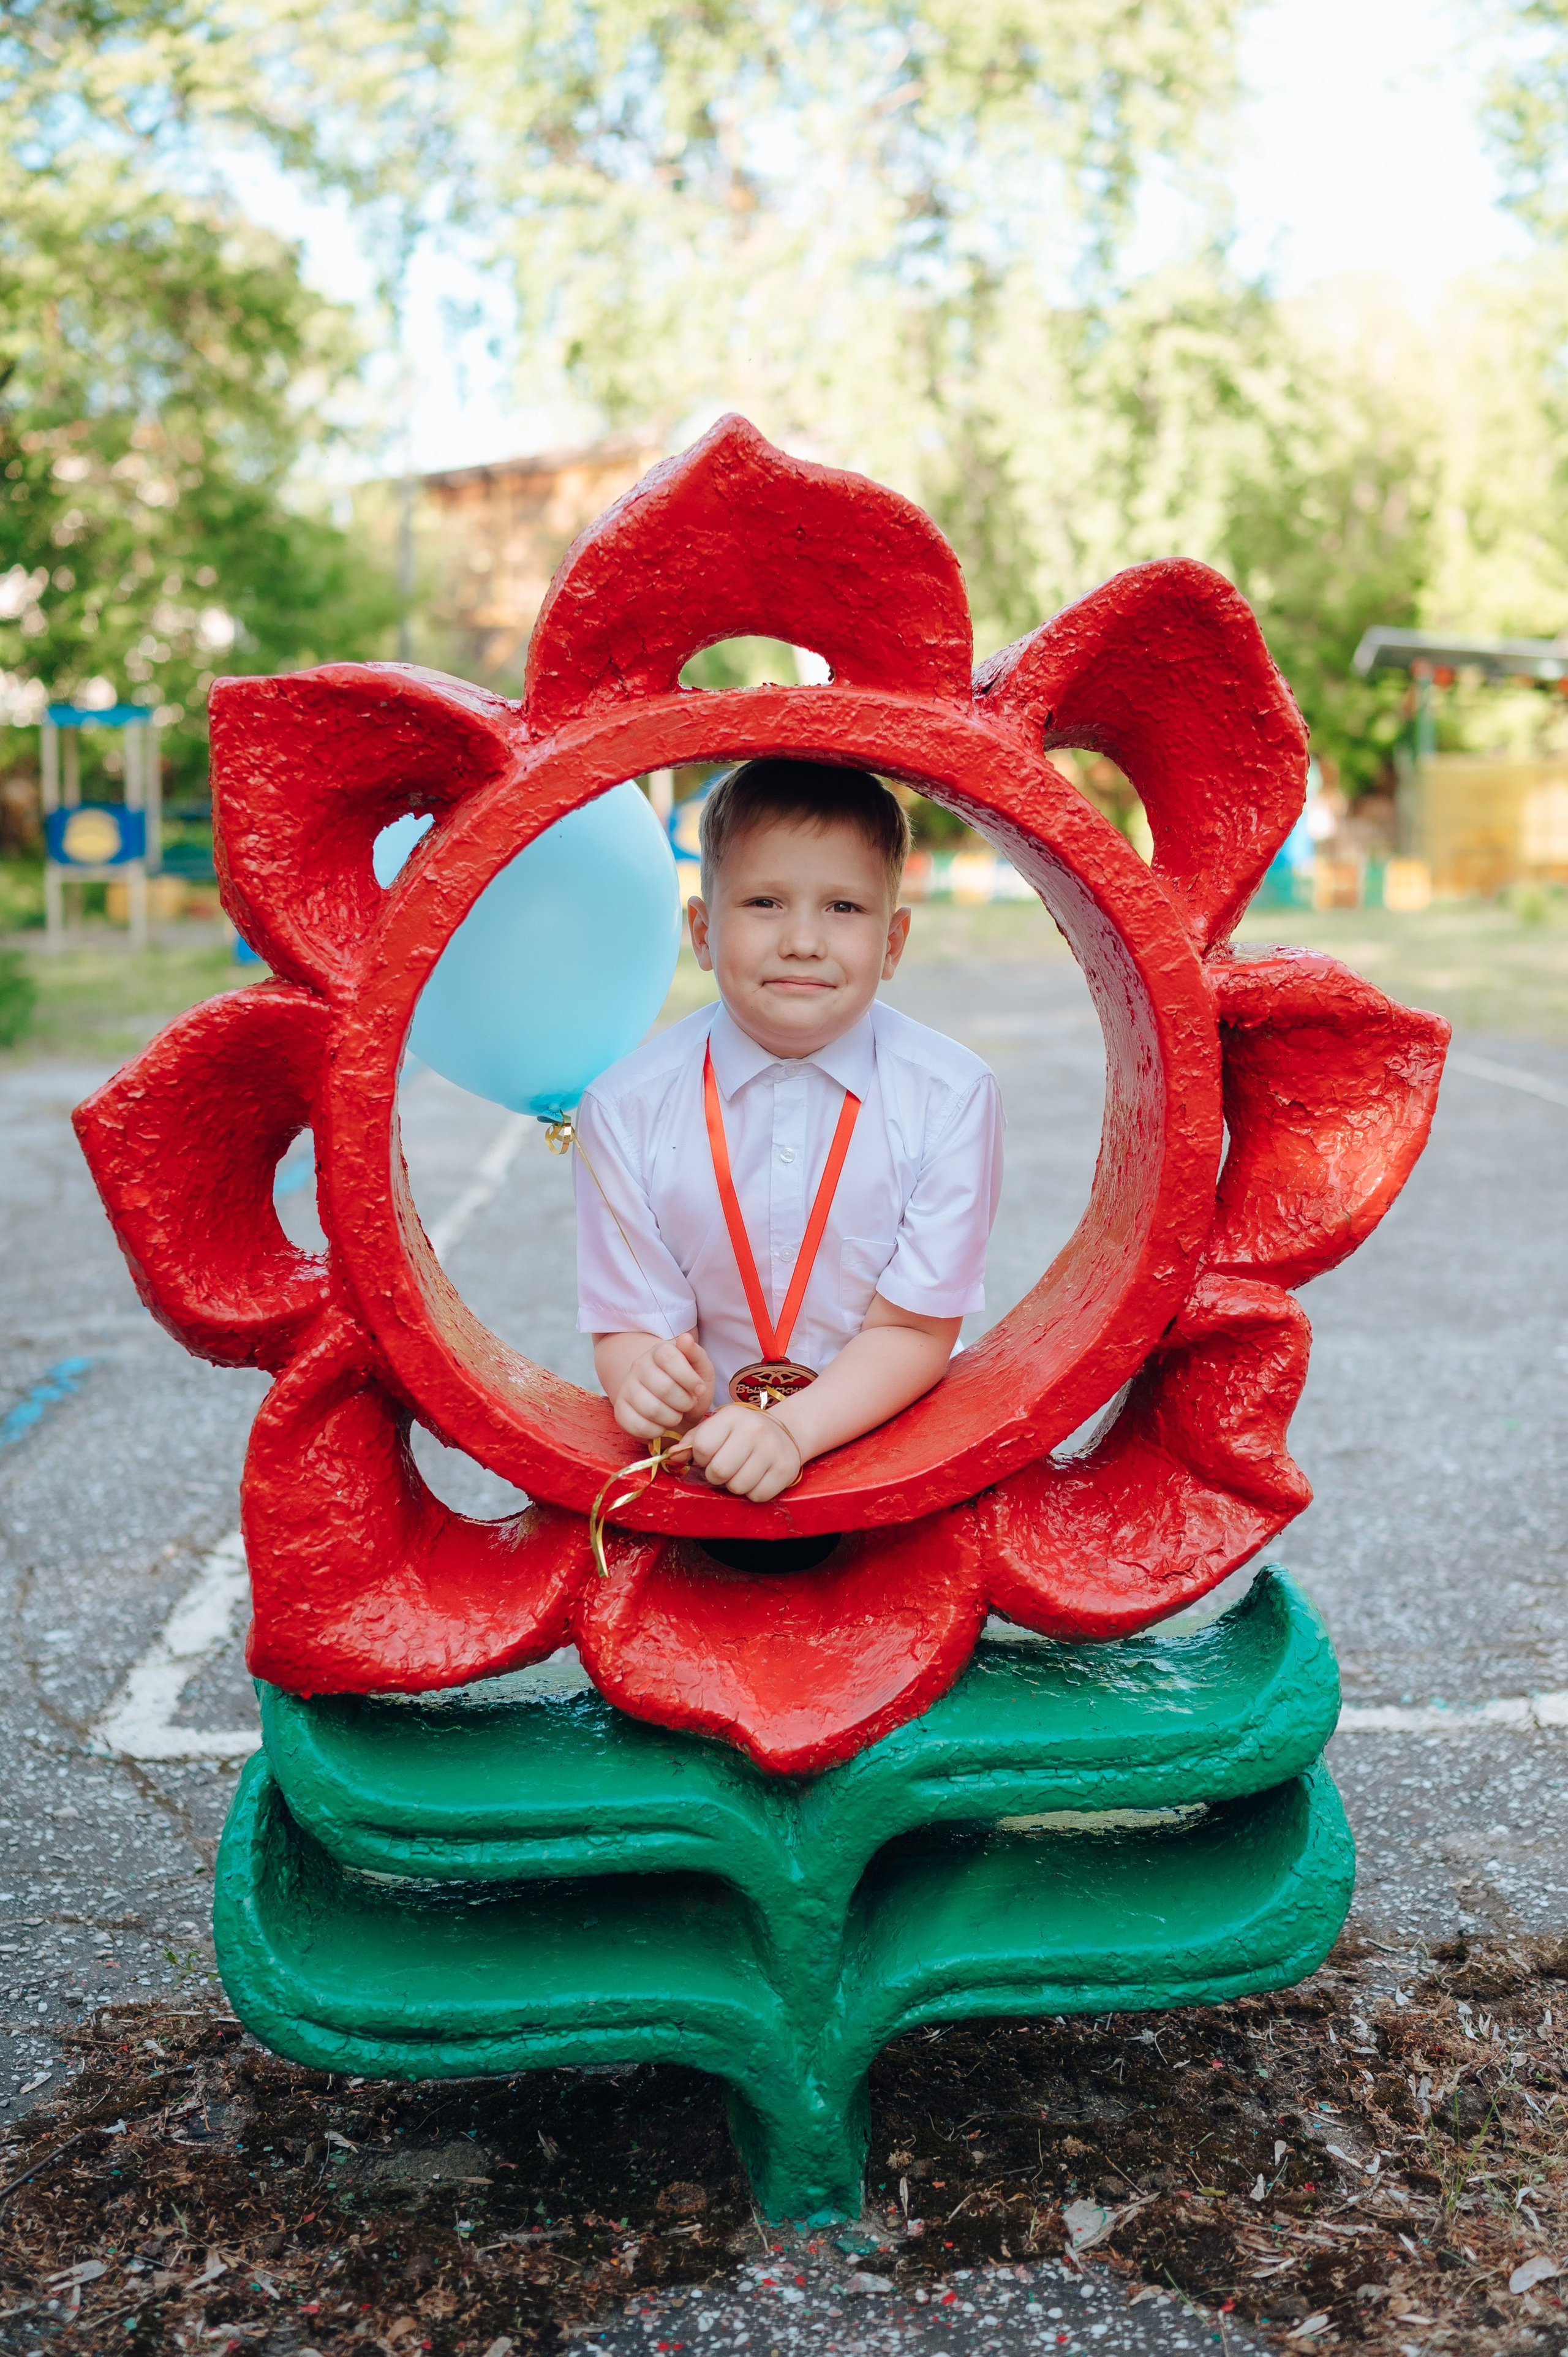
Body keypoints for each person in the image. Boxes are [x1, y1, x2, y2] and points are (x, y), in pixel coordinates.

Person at [573, 758, 1004, 1504]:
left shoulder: (954, 1096)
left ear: (893, 943)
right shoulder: (620, 1109)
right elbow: (632, 1326)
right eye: (765, 901)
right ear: (703, 933)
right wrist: (642, 1381)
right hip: (709, 1458)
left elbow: (914, 1331)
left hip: (895, 1448)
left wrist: (790, 1431)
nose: (803, 940)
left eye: (843, 908)